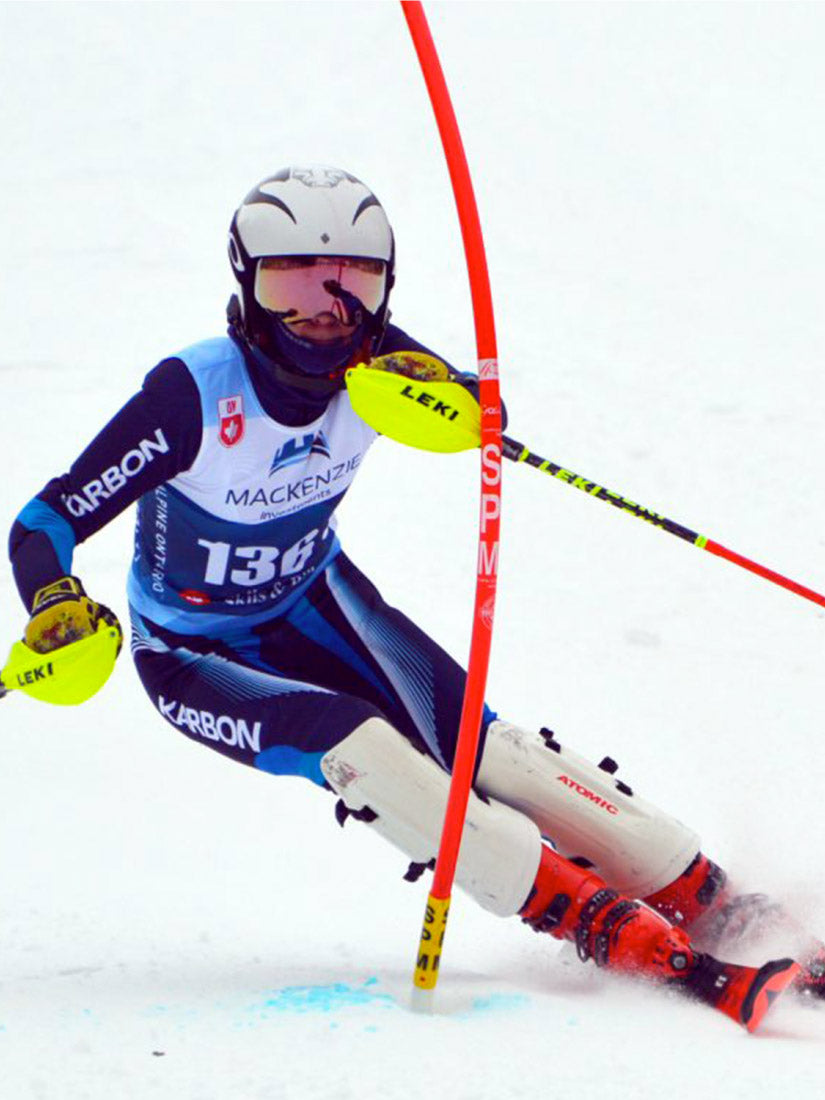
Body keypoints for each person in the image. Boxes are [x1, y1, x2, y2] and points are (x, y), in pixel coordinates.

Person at [7, 164, 819, 1031]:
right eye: (291, 282)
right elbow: (43, 522)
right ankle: (610, 929)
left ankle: (720, 903)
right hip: (193, 653)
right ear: (243, 282)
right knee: (373, 757)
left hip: (320, 601)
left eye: (354, 281)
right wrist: (54, 601)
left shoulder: (380, 368)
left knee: (488, 749)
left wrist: (474, 410)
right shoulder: (193, 396)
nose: (325, 308)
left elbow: (459, 402)